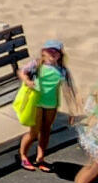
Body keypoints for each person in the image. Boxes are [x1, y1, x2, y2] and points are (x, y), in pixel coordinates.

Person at [17, 38, 69, 171]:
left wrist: (72, 107)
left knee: (46, 130)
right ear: (43, 52)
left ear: (60, 55)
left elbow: (68, 89)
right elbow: (22, 72)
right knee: (34, 132)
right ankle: (23, 155)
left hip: (51, 103)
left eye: (56, 51)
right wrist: (27, 81)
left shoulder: (62, 70)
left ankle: (40, 158)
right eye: (49, 50)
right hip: (37, 102)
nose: (53, 53)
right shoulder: (37, 64)